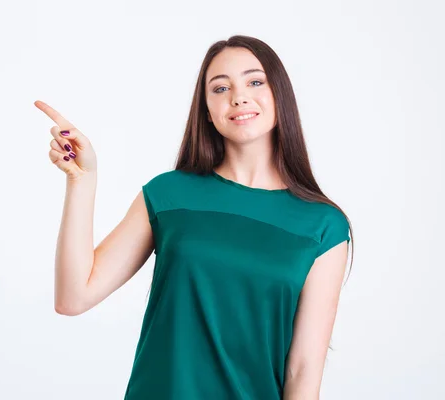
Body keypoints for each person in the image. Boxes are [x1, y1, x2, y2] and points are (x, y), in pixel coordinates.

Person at [35, 34, 354, 400]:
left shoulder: (323, 226)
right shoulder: (169, 194)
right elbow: (73, 297)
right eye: (220, 88)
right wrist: (82, 179)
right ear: (205, 109)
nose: (238, 97)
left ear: (279, 94)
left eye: (254, 81)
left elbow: (303, 371)